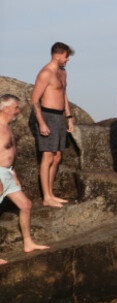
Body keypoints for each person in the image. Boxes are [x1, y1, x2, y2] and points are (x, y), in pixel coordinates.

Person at [0, 94, 50, 260]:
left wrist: (13, 174)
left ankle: (28, 243)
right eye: (15, 107)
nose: (18, 111)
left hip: (8, 174)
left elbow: (8, 153)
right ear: (5, 108)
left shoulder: (8, 127)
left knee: (26, 205)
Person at [30, 42, 75, 208]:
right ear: (57, 55)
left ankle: (51, 193)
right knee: (47, 157)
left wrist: (69, 116)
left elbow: (63, 94)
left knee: (57, 157)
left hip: (59, 117)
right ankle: (46, 197)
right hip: (47, 116)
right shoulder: (46, 73)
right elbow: (34, 100)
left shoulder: (62, 72)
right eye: (66, 56)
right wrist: (41, 123)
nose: (68, 59)